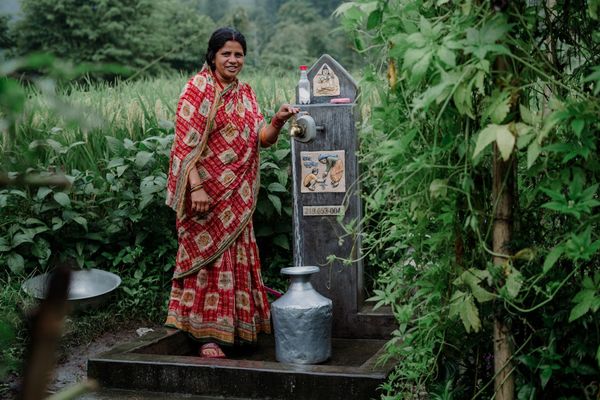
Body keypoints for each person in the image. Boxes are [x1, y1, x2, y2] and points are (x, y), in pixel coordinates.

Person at [164, 27, 299, 358]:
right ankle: (206, 335)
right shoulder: (197, 90)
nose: (233, 60)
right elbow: (184, 146)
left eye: (239, 54)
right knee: (209, 263)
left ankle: (237, 330)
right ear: (213, 55)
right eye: (226, 53)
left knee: (235, 259)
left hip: (236, 198)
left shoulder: (246, 94)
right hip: (203, 197)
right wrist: (196, 187)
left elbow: (261, 139)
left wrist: (279, 120)